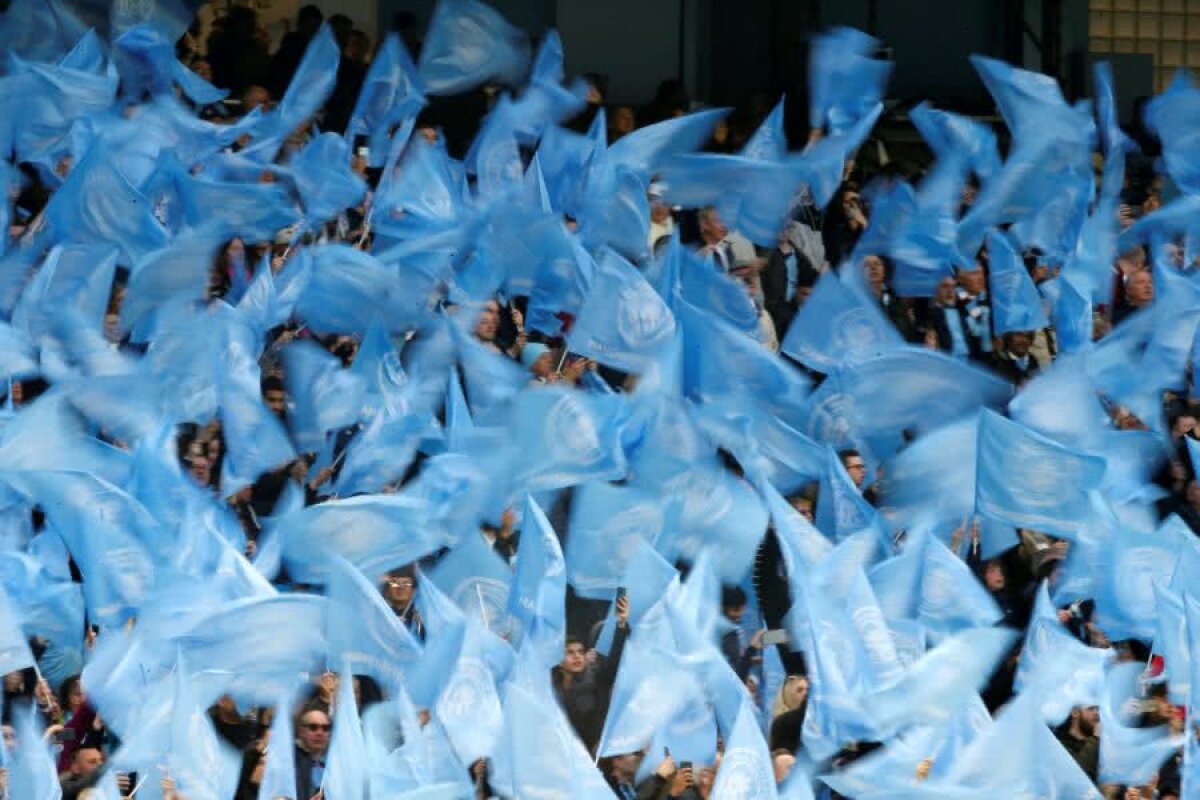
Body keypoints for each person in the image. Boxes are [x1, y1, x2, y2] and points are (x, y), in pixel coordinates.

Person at [553, 593, 630, 753]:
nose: (577, 656)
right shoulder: (551, 689)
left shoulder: (597, 677)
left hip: (598, 757)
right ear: (559, 661)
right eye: (570, 652)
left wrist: (621, 625)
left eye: (580, 652)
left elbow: (614, 660)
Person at [293, 707, 331, 800]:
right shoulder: (289, 760)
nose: (320, 732)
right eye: (313, 727)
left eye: (325, 728)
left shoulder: (338, 761)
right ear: (301, 731)